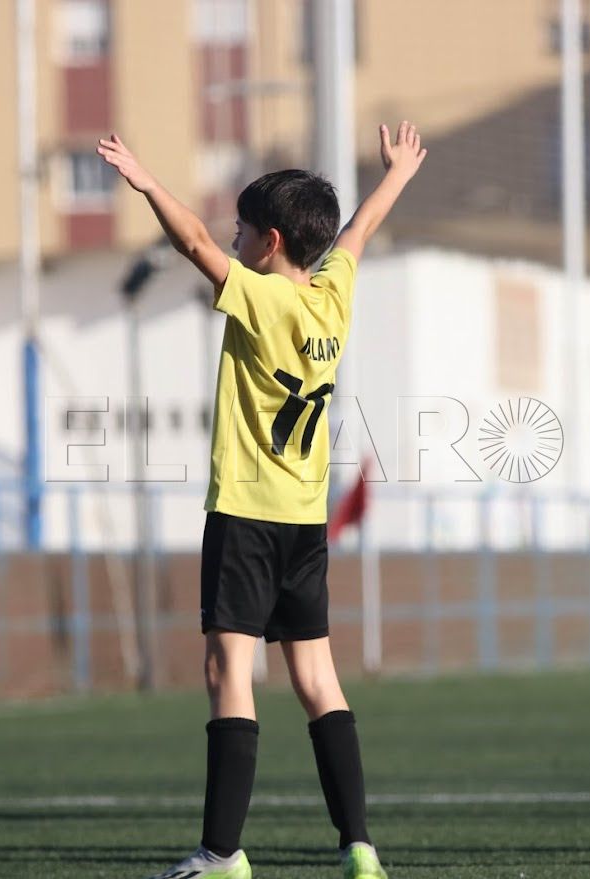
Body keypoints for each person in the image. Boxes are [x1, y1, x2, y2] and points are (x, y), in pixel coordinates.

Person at [98, 120, 426, 879]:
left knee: (228, 673)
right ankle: (360, 846)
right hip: (304, 523)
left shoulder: (260, 301)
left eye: (242, 229)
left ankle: (220, 852)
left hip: (246, 515)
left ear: (270, 242)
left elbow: (190, 246)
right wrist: (398, 174)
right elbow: (361, 229)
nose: (232, 237)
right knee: (317, 680)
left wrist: (146, 181)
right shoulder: (331, 298)